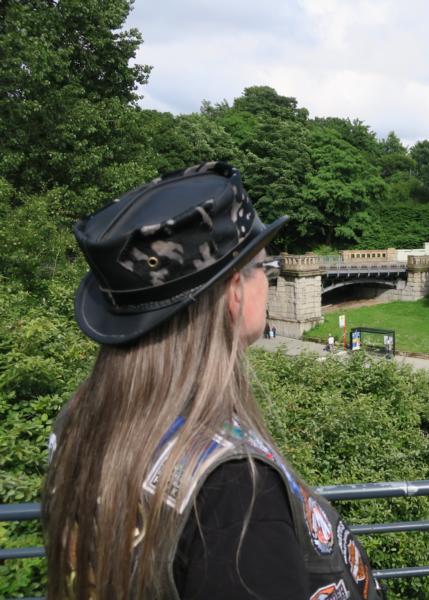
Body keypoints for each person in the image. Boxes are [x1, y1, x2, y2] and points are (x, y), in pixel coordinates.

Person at [43, 163, 381, 599]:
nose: (269, 280)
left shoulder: (78, 421)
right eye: (265, 267)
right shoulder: (236, 491)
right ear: (235, 291)